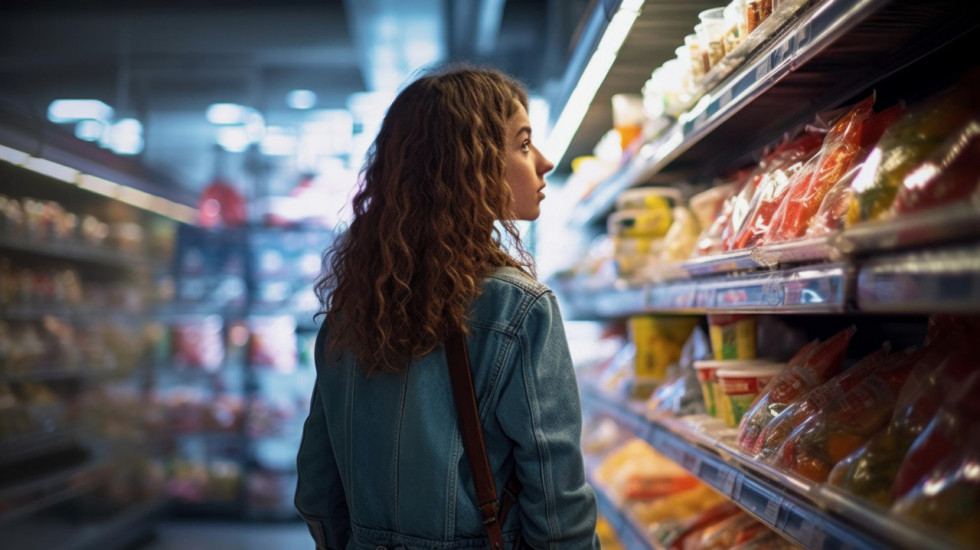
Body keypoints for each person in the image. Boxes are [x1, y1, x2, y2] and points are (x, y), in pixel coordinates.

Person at [296, 64, 600, 550]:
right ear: (468, 167)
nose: (543, 161)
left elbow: (316, 486)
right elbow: (557, 503)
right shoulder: (518, 309)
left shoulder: (349, 313)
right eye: (522, 144)